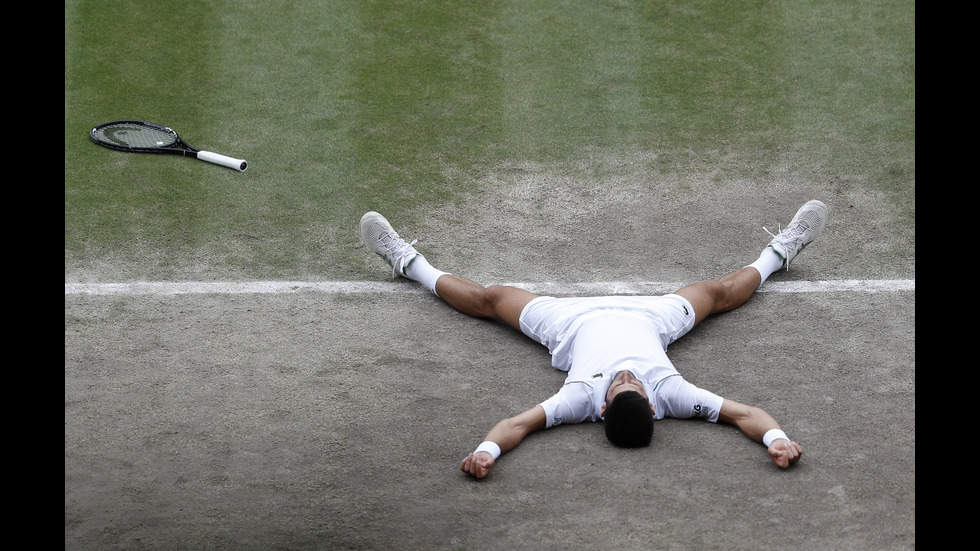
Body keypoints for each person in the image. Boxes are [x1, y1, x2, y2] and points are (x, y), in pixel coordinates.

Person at [359, 200, 828, 478]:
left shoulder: (579, 399)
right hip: (652, 318)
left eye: (622, 385)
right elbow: (747, 414)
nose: (628, 376)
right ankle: (781, 250)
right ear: (651, 407)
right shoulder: (672, 395)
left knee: (491, 298)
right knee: (716, 293)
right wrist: (776, 438)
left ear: (602, 409)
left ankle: (408, 262)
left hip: (568, 323)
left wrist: (485, 452)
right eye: (635, 386)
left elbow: (515, 426)